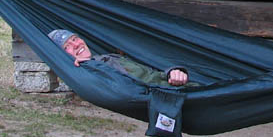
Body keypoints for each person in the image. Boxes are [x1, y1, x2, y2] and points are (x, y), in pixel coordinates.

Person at [48, 29, 189, 87]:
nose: (76, 45)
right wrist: (90, 66)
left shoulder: (109, 57)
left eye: (75, 38)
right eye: (67, 46)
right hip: (169, 93)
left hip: (177, 81)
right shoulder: (88, 73)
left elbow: (149, 65)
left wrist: (173, 71)